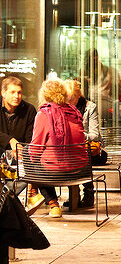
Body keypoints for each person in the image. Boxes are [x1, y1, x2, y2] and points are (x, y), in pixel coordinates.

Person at [27, 79, 88, 218]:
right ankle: (34, 194)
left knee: (29, 155)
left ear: (44, 94)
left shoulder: (44, 114)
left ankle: (51, 203)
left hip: (57, 171)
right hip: (80, 169)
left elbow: (35, 149)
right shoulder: (74, 111)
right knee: (40, 160)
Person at [64, 79, 101, 209]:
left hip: (92, 151)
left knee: (81, 153)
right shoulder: (62, 108)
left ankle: (88, 193)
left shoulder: (90, 107)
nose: (69, 103)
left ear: (78, 95)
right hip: (72, 150)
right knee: (68, 155)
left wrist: (77, 134)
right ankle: (74, 195)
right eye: (66, 99)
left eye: (72, 99)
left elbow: (95, 135)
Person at [0, 77, 36, 162]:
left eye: (19, 92)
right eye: (12, 92)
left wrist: (21, 151)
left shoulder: (29, 109)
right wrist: (10, 140)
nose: (16, 96)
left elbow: (30, 138)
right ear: (3, 93)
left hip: (20, 156)